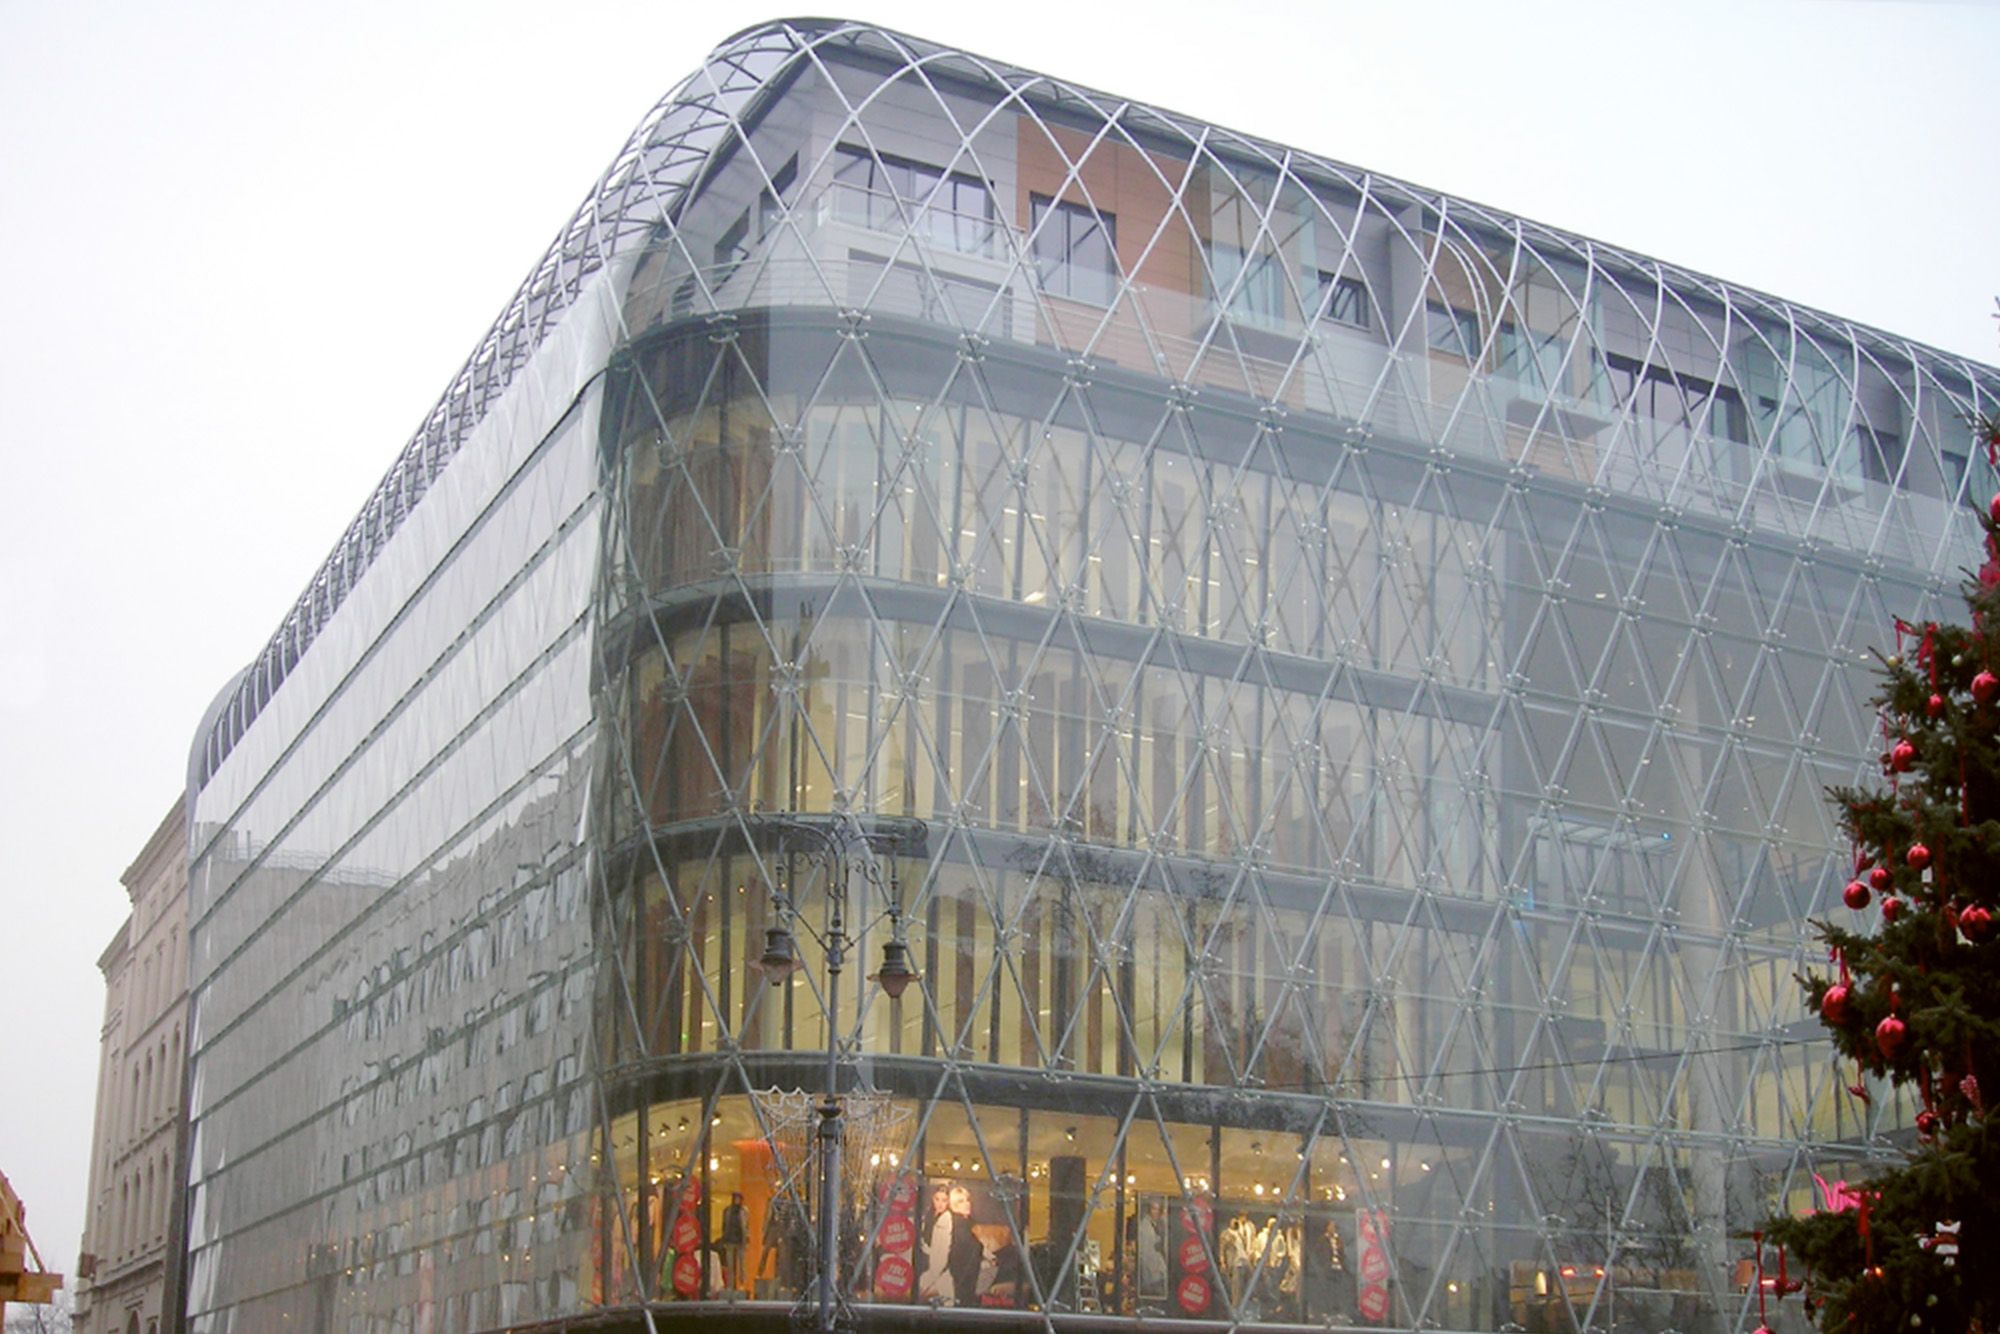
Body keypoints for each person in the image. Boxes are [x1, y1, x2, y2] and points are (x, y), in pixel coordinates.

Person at [918, 1183, 957, 1304]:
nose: (940, 1204)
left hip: (940, 1266)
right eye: (937, 1199)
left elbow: (943, 1251)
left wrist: (933, 1275)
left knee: (947, 1301)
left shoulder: (946, 1219)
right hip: (925, 1261)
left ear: (948, 1202)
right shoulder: (928, 1216)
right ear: (932, 1198)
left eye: (944, 1200)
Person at [946, 1184, 983, 1305]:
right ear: (954, 1205)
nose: (967, 1204)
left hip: (971, 1275)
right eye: (961, 1201)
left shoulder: (968, 1224)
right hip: (961, 1276)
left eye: (967, 1200)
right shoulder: (956, 1224)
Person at [719, 1191, 748, 1292]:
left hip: (740, 1240)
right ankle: (730, 1285)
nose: (737, 1200)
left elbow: (746, 1227)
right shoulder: (727, 1211)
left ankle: (742, 1284)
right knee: (730, 1265)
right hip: (730, 1239)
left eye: (738, 1199)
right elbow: (724, 1225)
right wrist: (724, 1238)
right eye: (735, 1198)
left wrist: (746, 1240)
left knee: (741, 1265)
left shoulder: (744, 1211)